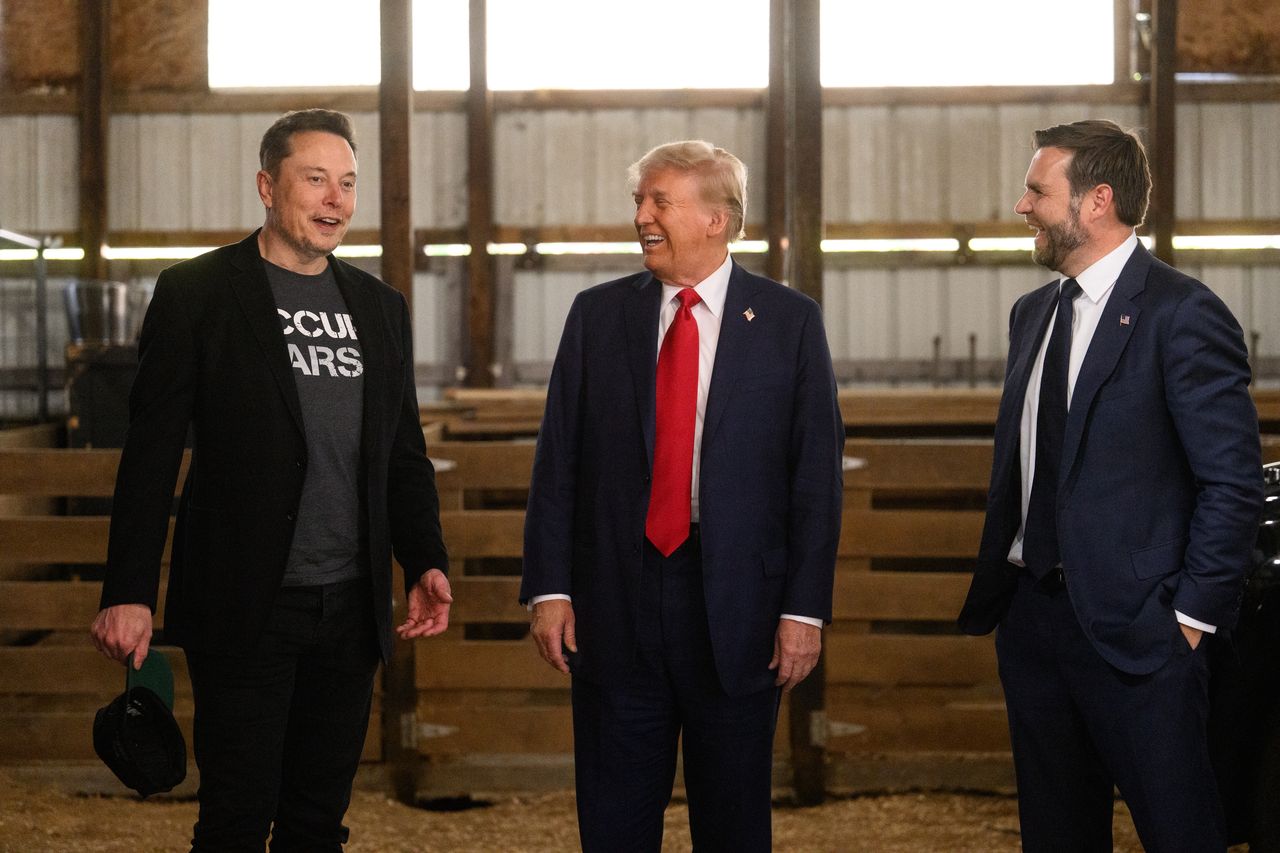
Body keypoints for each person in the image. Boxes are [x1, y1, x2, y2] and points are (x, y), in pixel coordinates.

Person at [89, 108, 452, 852]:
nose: (335, 200)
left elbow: (402, 451)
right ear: (266, 185)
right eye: (314, 179)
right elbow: (152, 451)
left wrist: (425, 558)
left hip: (351, 607)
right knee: (236, 815)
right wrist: (128, 589)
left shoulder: (379, 308)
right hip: (245, 601)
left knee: (319, 821)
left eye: (347, 184)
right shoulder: (200, 293)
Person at [521, 140, 844, 852]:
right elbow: (559, 461)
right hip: (616, 601)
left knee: (732, 824)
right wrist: (548, 588)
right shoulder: (597, 316)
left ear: (717, 220)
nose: (641, 216)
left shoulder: (789, 322)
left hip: (740, 611)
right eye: (641, 201)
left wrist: (803, 609)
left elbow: (815, 477)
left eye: (658, 201)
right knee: (613, 821)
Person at [958, 120, 1263, 852]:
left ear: (1097, 201)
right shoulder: (1032, 314)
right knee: (1056, 833)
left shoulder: (1181, 313)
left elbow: (1232, 480)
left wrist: (1190, 616)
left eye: (1037, 190)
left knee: (1179, 830)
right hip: (1034, 625)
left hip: (1143, 633)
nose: (1022, 206)